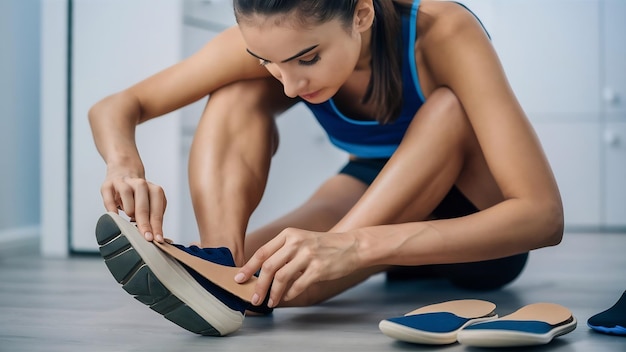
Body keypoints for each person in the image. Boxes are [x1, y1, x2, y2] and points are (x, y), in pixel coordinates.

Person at [89, 0, 564, 336]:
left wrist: (354, 244)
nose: (290, 85)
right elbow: (117, 105)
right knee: (237, 93)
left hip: (476, 231)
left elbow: (543, 216)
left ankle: (258, 275)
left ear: (361, 12)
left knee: (447, 109)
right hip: (374, 190)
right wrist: (124, 166)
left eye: (308, 58)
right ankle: (224, 271)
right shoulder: (276, 35)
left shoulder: (444, 30)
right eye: (269, 62)